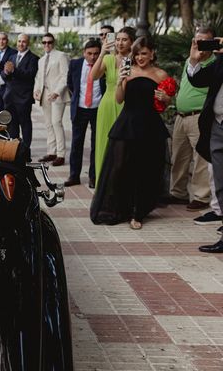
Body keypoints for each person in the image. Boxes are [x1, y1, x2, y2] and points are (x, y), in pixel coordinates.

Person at [90, 36, 174, 230]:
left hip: (150, 126)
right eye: (136, 54)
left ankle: (138, 212)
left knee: (145, 170)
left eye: (143, 53)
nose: (139, 57)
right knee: (119, 166)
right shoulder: (127, 70)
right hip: (127, 123)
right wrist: (120, 82)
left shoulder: (161, 74)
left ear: (152, 54)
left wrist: (165, 98)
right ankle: (119, 208)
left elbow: (165, 104)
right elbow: (119, 100)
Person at [169, 26, 217, 211]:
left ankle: (201, 196)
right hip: (181, 117)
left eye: (205, 42)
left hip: (199, 117)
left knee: (200, 160)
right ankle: (178, 192)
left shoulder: (215, 64)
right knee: (179, 157)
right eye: (198, 41)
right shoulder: (190, 61)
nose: (201, 46)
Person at [185, 35, 223, 252]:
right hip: (217, 127)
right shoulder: (219, 62)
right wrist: (195, 60)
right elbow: (198, 79)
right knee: (220, 181)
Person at [91, 26, 136, 185]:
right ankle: (103, 187)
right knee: (104, 144)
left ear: (132, 42)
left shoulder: (135, 60)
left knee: (124, 149)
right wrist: (103, 52)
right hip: (107, 105)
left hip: (127, 105)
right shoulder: (108, 59)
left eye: (124, 40)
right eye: (117, 39)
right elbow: (93, 76)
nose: (120, 43)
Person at [65, 39, 105, 188]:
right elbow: (70, 84)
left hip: (98, 108)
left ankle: (93, 177)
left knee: (96, 144)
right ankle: (74, 175)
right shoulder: (75, 64)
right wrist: (76, 98)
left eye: (96, 53)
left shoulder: (103, 64)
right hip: (80, 108)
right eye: (89, 53)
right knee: (76, 143)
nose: (93, 57)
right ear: (84, 53)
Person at [33, 33, 70, 166]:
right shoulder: (41, 60)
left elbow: (65, 76)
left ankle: (61, 155)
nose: (46, 45)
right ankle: (51, 152)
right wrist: (36, 90)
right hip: (45, 95)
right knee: (48, 124)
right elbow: (38, 78)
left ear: (53, 43)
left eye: (49, 42)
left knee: (56, 123)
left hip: (57, 95)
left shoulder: (61, 56)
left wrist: (56, 92)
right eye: (44, 42)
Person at [3, 33, 39, 155]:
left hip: (24, 98)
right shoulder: (12, 57)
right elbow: (6, 78)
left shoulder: (33, 58)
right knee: (12, 126)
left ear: (28, 43)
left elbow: (30, 76)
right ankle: (14, 151)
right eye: (19, 41)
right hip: (10, 98)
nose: (21, 44)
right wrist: (6, 72)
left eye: (23, 41)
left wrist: (14, 70)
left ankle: (26, 151)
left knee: (25, 126)